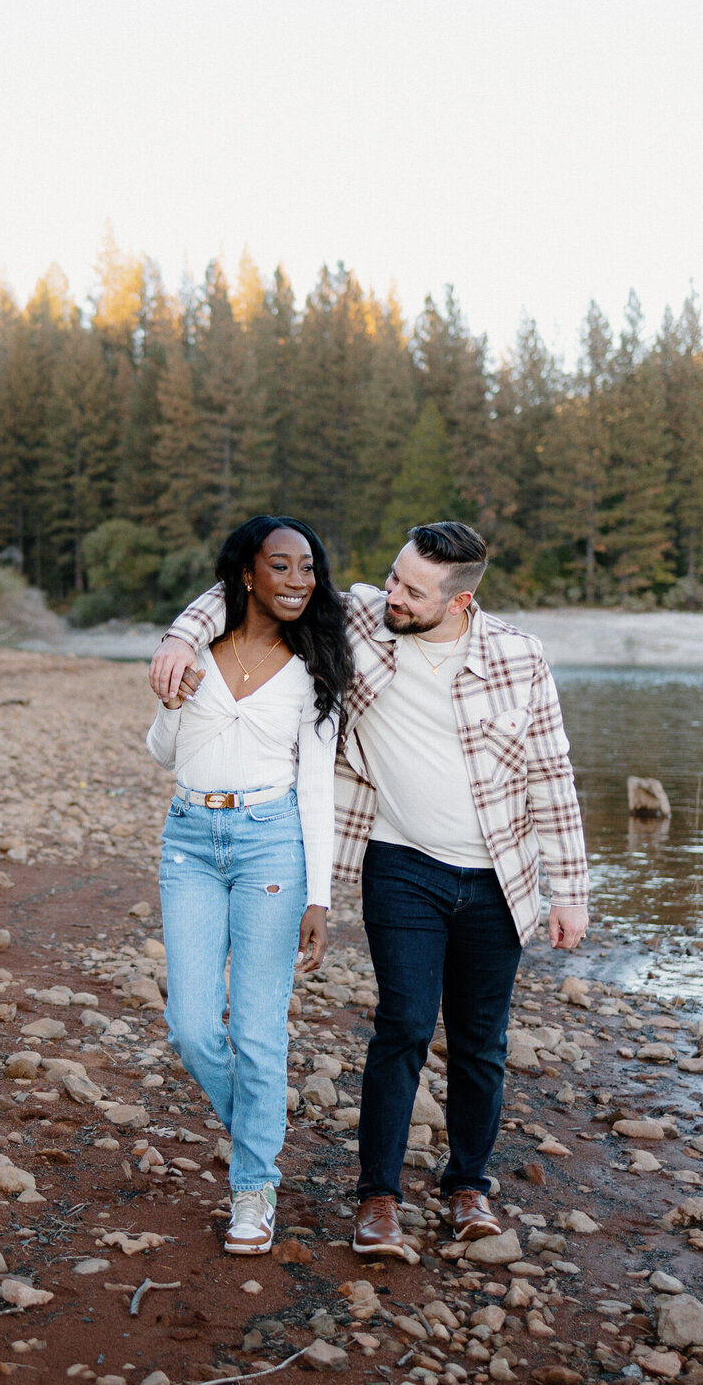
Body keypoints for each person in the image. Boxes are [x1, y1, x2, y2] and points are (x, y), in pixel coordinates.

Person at [150, 520, 588, 1259]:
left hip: (499, 876)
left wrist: (570, 890)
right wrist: (176, 638)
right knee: (404, 1028)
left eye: (410, 590)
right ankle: (377, 1199)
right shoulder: (364, 619)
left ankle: (467, 1188)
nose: (389, 594)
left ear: (455, 603)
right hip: (401, 863)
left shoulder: (519, 657)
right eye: (391, 576)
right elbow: (247, 585)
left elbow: (552, 772)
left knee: (481, 1044)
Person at [145, 515, 352, 1256]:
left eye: (308, 568)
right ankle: (262, 1135)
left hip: (273, 846)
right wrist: (174, 703)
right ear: (247, 575)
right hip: (190, 842)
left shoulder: (313, 665)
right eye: (283, 566)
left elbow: (319, 790)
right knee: (193, 1026)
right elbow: (163, 751)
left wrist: (321, 898)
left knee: (260, 1030)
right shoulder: (198, 645)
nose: (299, 580)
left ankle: (253, 1187)